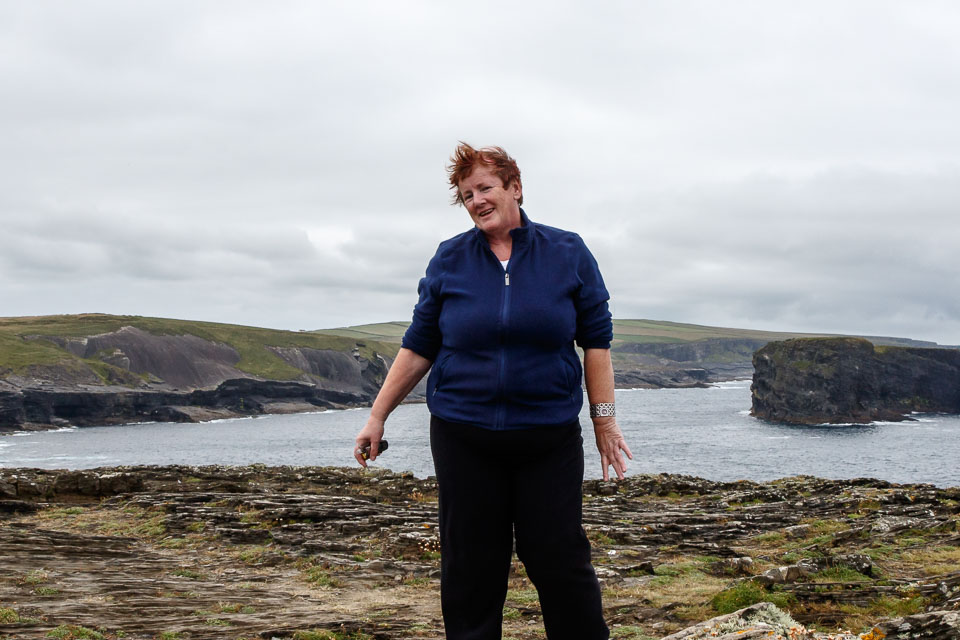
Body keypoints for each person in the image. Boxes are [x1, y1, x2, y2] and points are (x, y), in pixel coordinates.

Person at [354, 143, 632, 640]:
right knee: (470, 566)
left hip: (547, 438)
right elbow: (419, 345)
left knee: (559, 558)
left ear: (515, 188)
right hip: (464, 437)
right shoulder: (450, 258)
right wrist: (378, 416)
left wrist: (604, 421)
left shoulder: (567, 252)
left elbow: (596, 342)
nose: (477, 201)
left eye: (485, 188)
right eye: (467, 195)